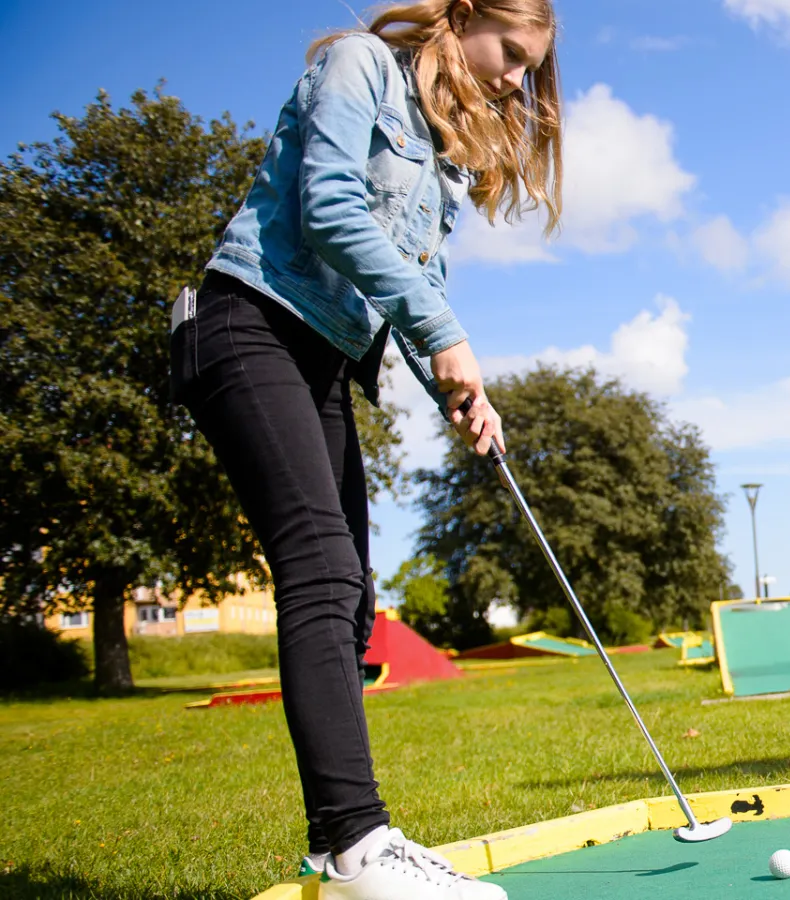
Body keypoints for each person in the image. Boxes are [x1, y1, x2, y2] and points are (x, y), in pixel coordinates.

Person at [172, 2, 561, 897]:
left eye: (529, 69)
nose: (515, 80)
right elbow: (330, 211)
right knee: (320, 570)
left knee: (351, 597)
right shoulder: (358, 65)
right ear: (464, 15)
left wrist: (461, 389)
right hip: (249, 322)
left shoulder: (440, 154)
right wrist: (446, 333)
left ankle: (334, 850)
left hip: (321, 356)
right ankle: (359, 845)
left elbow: (412, 284)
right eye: (511, 53)